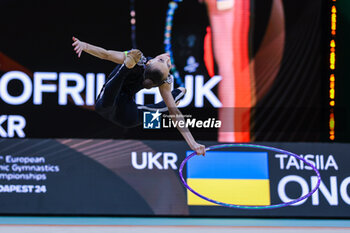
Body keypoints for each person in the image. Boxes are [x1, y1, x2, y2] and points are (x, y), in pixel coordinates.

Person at [72, 37, 206, 156]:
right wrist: (192, 143)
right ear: (148, 63)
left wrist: (85, 46)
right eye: (163, 60)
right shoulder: (158, 75)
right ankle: (125, 68)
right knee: (166, 107)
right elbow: (174, 112)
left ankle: (125, 68)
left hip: (114, 108)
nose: (167, 57)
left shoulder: (157, 74)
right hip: (119, 111)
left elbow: (106, 55)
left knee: (159, 111)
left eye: (167, 64)